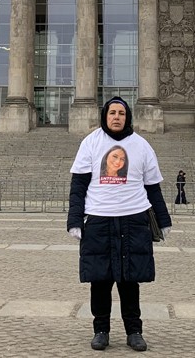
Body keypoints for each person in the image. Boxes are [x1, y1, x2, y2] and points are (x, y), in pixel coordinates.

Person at [68, 97, 172, 352]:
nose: (116, 117)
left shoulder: (141, 145)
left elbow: (153, 188)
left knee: (130, 280)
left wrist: (163, 219)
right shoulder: (90, 142)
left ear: (128, 118)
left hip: (133, 218)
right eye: (112, 112)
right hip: (98, 218)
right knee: (99, 280)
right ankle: (101, 330)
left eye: (121, 113)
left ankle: (134, 331)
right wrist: (74, 220)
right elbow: (78, 186)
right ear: (105, 115)